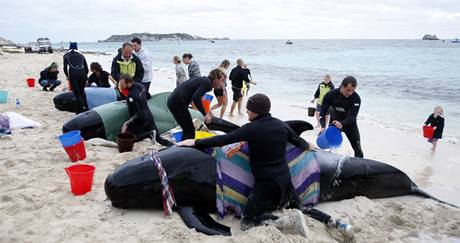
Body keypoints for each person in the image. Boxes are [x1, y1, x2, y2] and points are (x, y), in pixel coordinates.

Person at [177, 93, 312, 235]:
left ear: (254, 112)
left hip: (266, 184)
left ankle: (283, 221)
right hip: (285, 181)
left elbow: (222, 140)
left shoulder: (251, 128)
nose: (246, 111)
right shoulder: (281, 124)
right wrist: (309, 146)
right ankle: (326, 220)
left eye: (248, 109)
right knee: (301, 208)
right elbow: (299, 142)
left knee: (247, 222)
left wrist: (195, 142)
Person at [167, 69, 226, 141]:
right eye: (222, 81)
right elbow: (196, 98)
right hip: (177, 102)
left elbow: (194, 96)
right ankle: (184, 150)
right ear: (216, 79)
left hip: (174, 101)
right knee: (190, 131)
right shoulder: (207, 83)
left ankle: (182, 148)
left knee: (187, 130)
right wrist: (205, 115)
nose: (223, 83)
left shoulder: (204, 81)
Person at [119, 74, 173, 146]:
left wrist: (127, 123)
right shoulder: (141, 86)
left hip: (141, 119)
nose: (121, 86)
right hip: (149, 115)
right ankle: (172, 145)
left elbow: (138, 113)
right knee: (158, 138)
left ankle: (148, 134)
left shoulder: (131, 96)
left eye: (122, 84)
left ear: (128, 83)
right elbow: (148, 96)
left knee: (129, 135)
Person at [319, 76, 363, 158]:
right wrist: (322, 127)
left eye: (353, 91)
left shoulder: (356, 98)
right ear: (342, 86)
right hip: (334, 123)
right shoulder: (330, 95)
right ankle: (329, 163)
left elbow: (352, 117)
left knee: (357, 148)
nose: (350, 93)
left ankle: (361, 167)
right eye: (348, 90)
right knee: (330, 147)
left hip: (349, 125)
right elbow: (322, 113)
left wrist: (341, 123)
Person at [63, 42, 89, 114]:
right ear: (77, 47)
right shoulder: (81, 55)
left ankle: (81, 110)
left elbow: (65, 68)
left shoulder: (66, 55)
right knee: (80, 93)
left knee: (77, 94)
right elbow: (87, 68)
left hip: (73, 74)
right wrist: (85, 75)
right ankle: (78, 111)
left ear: (69, 47)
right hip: (83, 74)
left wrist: (67, 76)